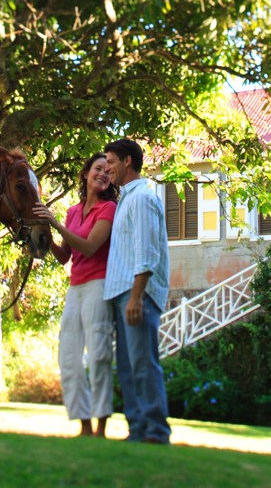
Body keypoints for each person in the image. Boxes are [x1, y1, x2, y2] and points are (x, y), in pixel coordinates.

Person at [33, 153, 118, 437]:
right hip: (75, 287)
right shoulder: (73, 211)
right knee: (68, 356)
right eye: (98, 169)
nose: (103, 174)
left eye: (108, 171)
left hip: (98, 285)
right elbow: (64, 256)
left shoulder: (108, 209)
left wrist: (55, 224)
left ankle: (101, 425)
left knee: (99, 354)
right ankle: (83, 424)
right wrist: (45, 234)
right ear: (85, 173)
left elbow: (90, 247)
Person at [102, 138, 171, 444]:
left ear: (128, 161)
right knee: (128, 369)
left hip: (136, 294)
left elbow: (146, 252)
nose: (107, 170)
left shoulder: (142, 198)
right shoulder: (125, 200)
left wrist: (135, 296)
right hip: (122, 294)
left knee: (143, 365)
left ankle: (156, 431)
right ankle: (139, 430)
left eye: (111, 163)